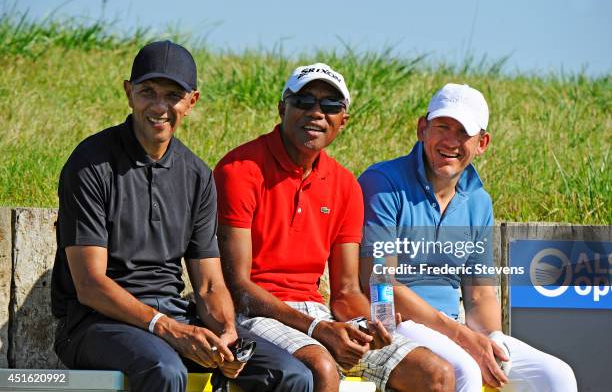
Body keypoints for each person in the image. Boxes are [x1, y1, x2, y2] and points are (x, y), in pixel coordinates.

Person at [50, 40, 313, 392]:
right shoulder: (90, 163)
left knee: (292, 375)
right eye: (148, 91)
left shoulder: (197, 175)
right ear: (129, 93)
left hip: (172, 314)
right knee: (165, 369)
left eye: (173, 95)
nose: (159, 106)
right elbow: (91, 286)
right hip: (94, 322)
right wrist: (166, 327)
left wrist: (226, 331)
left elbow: (208, 284)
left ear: (192, 101)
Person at [214, 63, 456, 392]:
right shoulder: (239, 169)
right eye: (304, 101)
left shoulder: (345, 185)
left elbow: (345, 292)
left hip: (316, 312)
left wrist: (373, 324)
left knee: (436, 375)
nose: (316, 113)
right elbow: (238, 286)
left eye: (330, 106)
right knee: (323, 368)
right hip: (254, 313)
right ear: (282, 107)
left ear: (343, 121)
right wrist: (318, 328)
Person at [358, 83, 578, 392]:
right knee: (463, 372)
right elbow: (380, 284)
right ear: (423, 128)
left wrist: (491, 339)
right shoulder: (382, 183)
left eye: (463, 132)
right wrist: (461, 337)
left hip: (450, 326)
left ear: (482, 143)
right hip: (396, 324)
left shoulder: (479, 200)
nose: (450, 140)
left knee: (557, 375)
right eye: (442, 126)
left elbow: (480, 294)